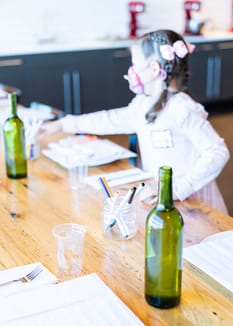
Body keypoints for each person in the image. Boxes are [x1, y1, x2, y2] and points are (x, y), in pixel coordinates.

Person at [39, 29, 230, 213]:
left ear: (154, 69)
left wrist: (179, 189)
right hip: (158, 194)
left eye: (135, 64)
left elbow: (217, 152)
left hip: (190, 199)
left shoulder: (182, 108)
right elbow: (109, 120)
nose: (131, 71)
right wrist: (63, 124)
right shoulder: (143, 103)